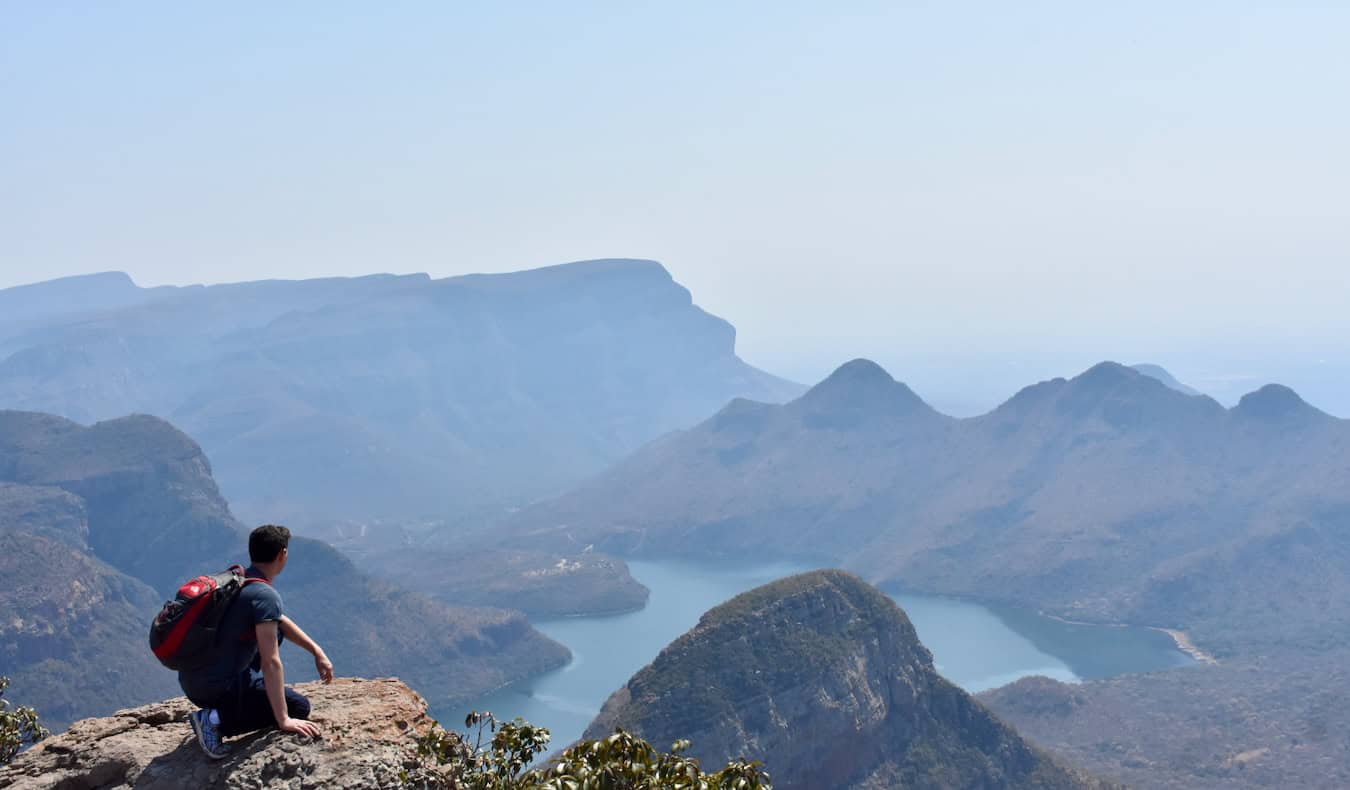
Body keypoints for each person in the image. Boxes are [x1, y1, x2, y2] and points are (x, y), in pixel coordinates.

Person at [179, 524, 334, 760]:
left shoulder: (238, 580)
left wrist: (316, 651)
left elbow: (278, 620)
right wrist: (283, 719)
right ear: (283, 554)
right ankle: (212, 720)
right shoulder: (264, 594)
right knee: (299, 707)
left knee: (274, 631)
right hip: (216, 688)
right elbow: (271, 662)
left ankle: (239, 697)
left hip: (195, 676)